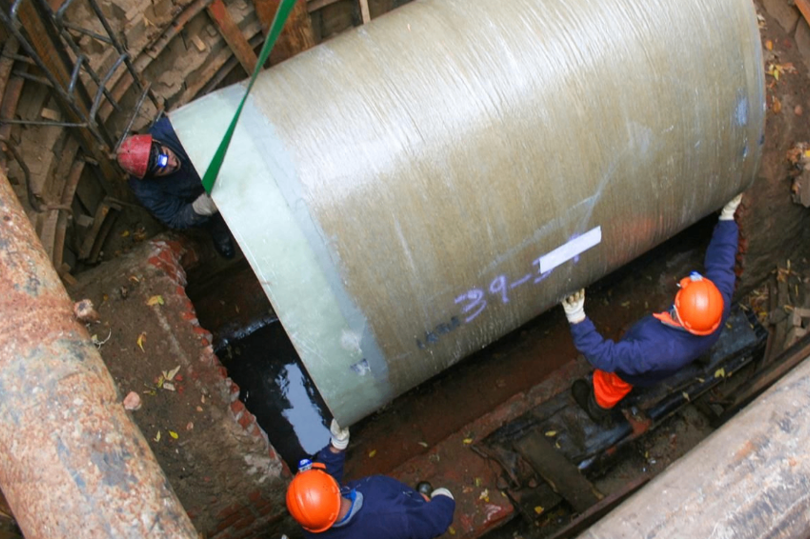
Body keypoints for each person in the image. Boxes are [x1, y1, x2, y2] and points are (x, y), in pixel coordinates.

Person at [560, 193, 743, 423]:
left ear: (678, 311)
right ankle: (700, 355)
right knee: (697, 347)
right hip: (696, 344)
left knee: (614, 381)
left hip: (644, 370)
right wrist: (727, 217)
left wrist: (577, 317)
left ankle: (597, 406)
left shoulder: (652, 352)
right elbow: (722, 261)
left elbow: (605, 356)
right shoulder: (719, 300)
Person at [286, 419, 455, 538]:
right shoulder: (391, 516)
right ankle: (421, 501)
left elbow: (321, 489)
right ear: (334, 489)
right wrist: (443, 499)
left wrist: (336, 446)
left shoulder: (312, 522)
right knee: (419, 508)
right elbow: (433, 522)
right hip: (406, 512)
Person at [116, 116, 235, 259]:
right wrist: (200, 207)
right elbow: (174, 217)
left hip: (215, 163)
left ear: (156, 142)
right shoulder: (146, 190)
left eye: (166, 156)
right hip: (197, 195)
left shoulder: (173, 128)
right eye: (162, 170)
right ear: (150, 176)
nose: (172, 164)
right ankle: (221, 236)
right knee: (208, 220)